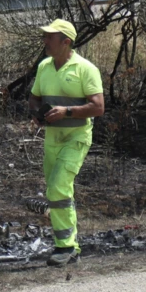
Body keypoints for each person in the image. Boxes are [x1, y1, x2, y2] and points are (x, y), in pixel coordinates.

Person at [27, 19, 105, 267]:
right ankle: (66, 243)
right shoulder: (44, 67)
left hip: (76, 138)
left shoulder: (86, 69)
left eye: (50, 37)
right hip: (52, 139)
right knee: (55, 192)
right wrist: (37, 114)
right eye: (45, 36)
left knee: (59, 186)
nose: (45, 41)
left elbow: (98, 107)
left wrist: (67, 112)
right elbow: (34, 99)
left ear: (66, 42)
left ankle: (67, 246)